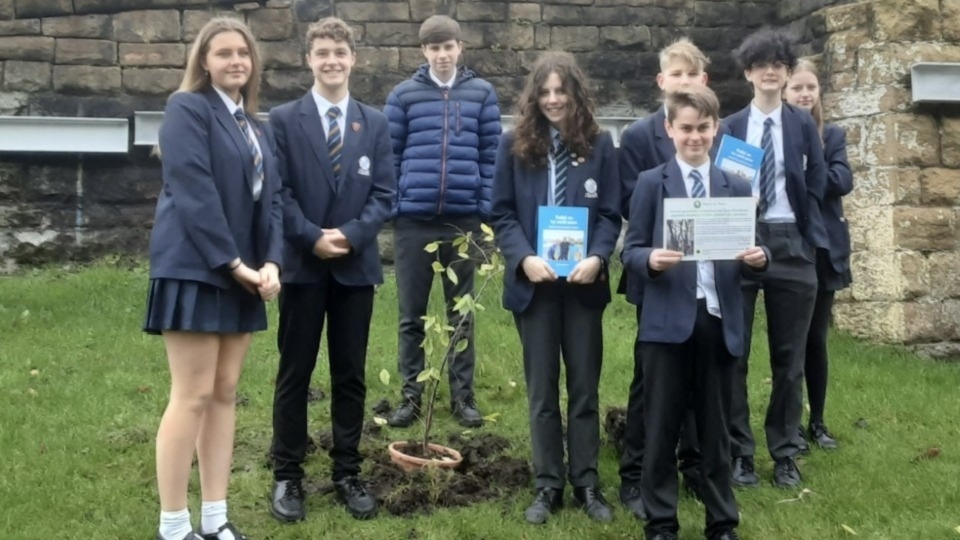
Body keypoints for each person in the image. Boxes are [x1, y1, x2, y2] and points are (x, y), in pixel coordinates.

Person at [144, 17, 283, 540]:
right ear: (204, 61)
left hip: (245, 272)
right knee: (193, 393)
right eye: (224, 53)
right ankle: (174, 525)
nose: (236, 62)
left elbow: (271, 202)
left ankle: (215, 519)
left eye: (243, 54)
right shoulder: (187, 110)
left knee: (225, 392)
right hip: (197, 269)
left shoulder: (255, 126)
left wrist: (271, 263)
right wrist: (235, 264)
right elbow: (194, 191)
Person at [622, 85, 767, 540]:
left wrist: (760, 256)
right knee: (662, 427)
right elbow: (631, 250)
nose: (695, 137)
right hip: (667, 323)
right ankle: (661, 522)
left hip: (719, 320)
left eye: (703, 128)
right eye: (685, 128)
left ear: (716, 129)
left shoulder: (735, 185)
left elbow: (758, 246)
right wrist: (649, 260)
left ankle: (721, 521)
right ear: (669, 129)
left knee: (715, 430)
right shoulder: (651, 182)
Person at [267, 17, 395, 522]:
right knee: (294, 374)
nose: (331, 61)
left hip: (355, 269)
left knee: (350, 375)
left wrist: (352, 235)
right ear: (308, 59)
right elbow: (278, 192)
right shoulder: (282, 119)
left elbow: (386, 193)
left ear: (353, 59)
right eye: (322, 52)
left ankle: (347, 471)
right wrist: (312, 237)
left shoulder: (375, 122)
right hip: (302, 266)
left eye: (340, 52)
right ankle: (288, 476)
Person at [491, 51, 621, 525]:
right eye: (544, 92)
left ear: (576, 94)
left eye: (560, 91)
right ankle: (548, 484)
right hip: (535, 287)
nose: (552, 100)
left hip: (583, 286)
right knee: (543, 390)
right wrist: (524, 257)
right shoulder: (514, 145)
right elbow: (501, 212)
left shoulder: (601, 146)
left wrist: (598, 257)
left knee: (584, 389)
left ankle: (586, 482)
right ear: (533, 97)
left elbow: (610, 212)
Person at [383, 15, 502, 429]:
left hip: (463, 222)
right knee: (410, 315)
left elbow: (491, 156)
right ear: (424, 52)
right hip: (413, 223)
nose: (442, 55)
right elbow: (390, 157)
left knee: (462, 312)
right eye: (434, 48)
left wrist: (482, 208)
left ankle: (462, 397)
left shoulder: (483, 95)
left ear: (459, 47)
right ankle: (411, 397)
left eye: (448, 46)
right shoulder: (403, 96)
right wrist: (397, 206)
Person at [722, 29, 828, 488]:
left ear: (786, 73)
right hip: (741, 238)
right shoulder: (730, 127)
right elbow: (724, 185)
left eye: (778, 65)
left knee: (790, 358)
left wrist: (804, 238)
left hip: (790, 242)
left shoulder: (802, 124)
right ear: (748, 73)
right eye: (761, 64)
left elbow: (818, 180)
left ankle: (784, 451)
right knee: (736, 353)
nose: (770, 71)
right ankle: (740, 452)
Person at [616, 37, 717, 518]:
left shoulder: (714, 134)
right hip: (659, 276)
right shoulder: (638, 136)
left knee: (703, 376)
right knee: (650, 381)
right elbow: (627, 203)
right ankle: (635, 472)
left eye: (691, 75)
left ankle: (695, 466)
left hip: (709, 281)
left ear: (704, 82)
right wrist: (660, 245)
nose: (683, 82)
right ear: (662, 82)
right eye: (675, 75)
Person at [783, 59, 852, 451]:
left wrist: (808, 167)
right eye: (797, 88)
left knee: (815, 339)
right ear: (785, 92)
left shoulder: (834, 134)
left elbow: (843, 180)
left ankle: (818, 421)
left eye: (811, 87)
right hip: (785, 246)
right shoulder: (773, 134)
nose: (805, 94)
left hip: (824, 247)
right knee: (788, 340)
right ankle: (788, 424)